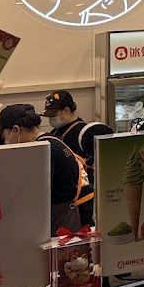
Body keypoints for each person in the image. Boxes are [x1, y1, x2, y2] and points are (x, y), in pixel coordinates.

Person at [0, 103, 82, 234]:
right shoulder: (50, 140)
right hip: (64, 212)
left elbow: (36, 195)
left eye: (5, 136)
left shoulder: (43, 150)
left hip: (63, 219)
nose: (6, 140)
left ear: (16, 130)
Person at [42, 90, 112, 227]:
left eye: (53, 115)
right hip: (64, 202)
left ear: (67, 110)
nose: (50, 119)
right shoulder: (55, 132)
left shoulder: (84, 134)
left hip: (82, 204)